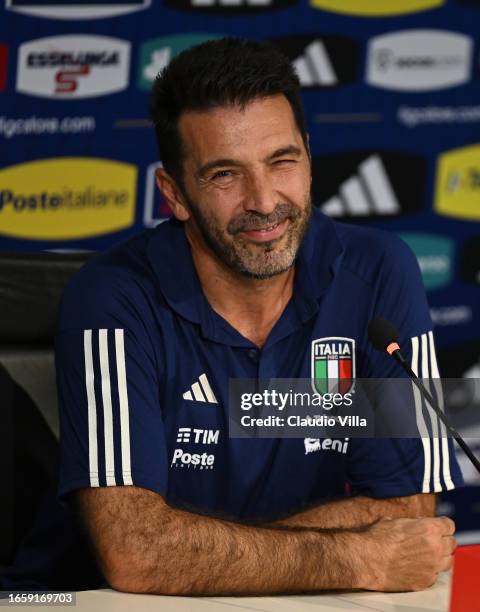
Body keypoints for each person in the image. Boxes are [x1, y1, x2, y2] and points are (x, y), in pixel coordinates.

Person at [55, 38, 462, 595]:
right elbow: (136, 554)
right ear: (174, 194)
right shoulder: (112, 299)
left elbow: (409, 508)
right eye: (225, 175)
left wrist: (209, 552)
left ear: (309, 160)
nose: (265, 201)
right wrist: (352, 556)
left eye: (282, 161)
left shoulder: (378, 273)